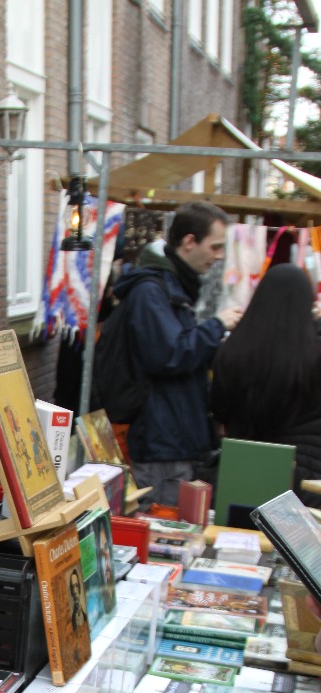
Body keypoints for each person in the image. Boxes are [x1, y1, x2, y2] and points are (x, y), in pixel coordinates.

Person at [116, 202, 242, 507]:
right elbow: (168, 355)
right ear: (189, 241)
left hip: (174, 440)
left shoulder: (172, 288)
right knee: (165, 526)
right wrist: (216, 326)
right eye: (215, 246)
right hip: (163, 443)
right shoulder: (152, 291)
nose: (219, 256)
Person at [210, 263, 321, 509]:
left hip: (245, 466)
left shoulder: (232, 351)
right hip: (305, 469)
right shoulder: (313, 354)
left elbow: (220, 411)